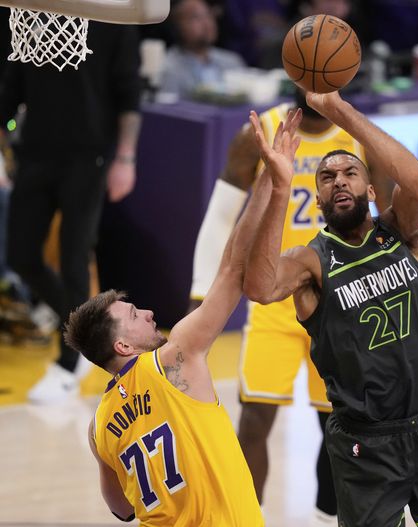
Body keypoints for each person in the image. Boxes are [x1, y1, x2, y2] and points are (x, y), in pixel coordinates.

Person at [244, 90, 418, 527]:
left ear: (371, 189)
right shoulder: (310, 262)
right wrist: (279, 186)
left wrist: (338, 110)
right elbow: (259, 287)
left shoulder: (402, 233)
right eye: (327, 177)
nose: (338, 180)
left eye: (350, 172)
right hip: (367, 444)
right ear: (317, 200)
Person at [63, 108, 303, 526]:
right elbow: (232, 267)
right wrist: (273, 179)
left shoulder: (99, 428)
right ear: (121, 345)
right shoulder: (176, 358)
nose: (150, 313)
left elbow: (122, 510)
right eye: (135, 315)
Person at [189, 87, 389, 526]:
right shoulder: (260, 133)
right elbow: (223, 213)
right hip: (275, 295)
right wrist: (203, 291)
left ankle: (327, 515)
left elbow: (388, 218)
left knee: (339, 425)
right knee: (255, 419)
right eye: (308, 69)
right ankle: (246, 518)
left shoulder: (357, 140)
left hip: (340, 301)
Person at [0, 21, 142, 404]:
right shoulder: (31, 15)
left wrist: (125, 158)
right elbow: (11, 86)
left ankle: (69, 362)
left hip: (89, 156)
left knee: (73, 257)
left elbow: (130, 95)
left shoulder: (113, 18)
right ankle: (89, 330)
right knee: (21, 256)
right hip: (35, 153)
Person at [159, 0, 246, 100]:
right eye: (196, 17)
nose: (206, 23)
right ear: (177, 26)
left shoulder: (232, 61)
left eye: (208, 15)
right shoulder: (169, 68)